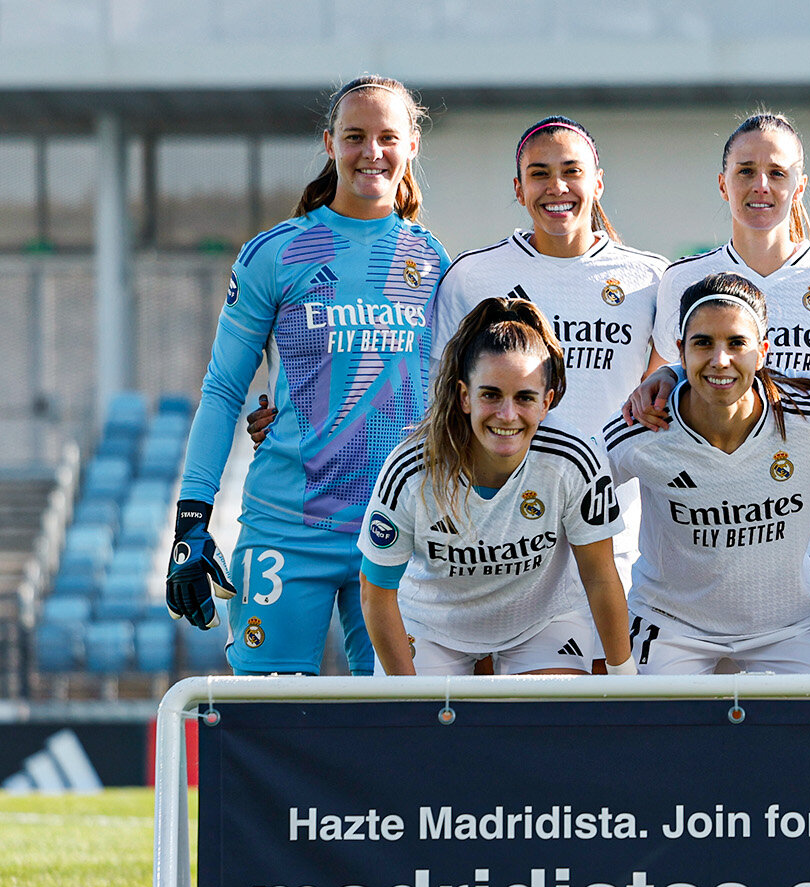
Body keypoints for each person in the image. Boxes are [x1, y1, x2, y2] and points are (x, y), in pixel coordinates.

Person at [167, 75, 448, 675]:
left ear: (411, 146)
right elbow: (221, 391)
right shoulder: (275, 253)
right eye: (354, 136)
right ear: (329, 143)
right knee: (271, 728)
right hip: (286, 528)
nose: (371, 151)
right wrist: (192, 520)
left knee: (403, 733)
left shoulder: (434, 262)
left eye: (386, 137)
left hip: (398, 526)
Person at [641, 113, 810, 646]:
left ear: (800, 184)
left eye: (777, 171)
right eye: (745, 171)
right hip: (709, 527)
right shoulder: (681, 280)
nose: (760, 186)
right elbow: (662, 387)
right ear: (723, 182)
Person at [428, 115, 666, 608]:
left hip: (615, 531)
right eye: (539, 173)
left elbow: (663, 403)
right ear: (518, 188)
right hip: (499, 538)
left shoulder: (651, 279)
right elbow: (445, 406)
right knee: (505, 683)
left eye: (571, 171)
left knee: (605, 682)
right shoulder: (473, 278)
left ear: (597, 182)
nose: (556, 186)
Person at [607, 274, 810, 674]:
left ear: (762, 351)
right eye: (703, 343)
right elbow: (568, 481)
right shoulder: (643, 425)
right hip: (671, 626)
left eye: (736, 343)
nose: (720, 360)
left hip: (791, 626)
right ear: (680, 351)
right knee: (655, 734)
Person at [358, 297, 631, 676]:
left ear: (546, 401)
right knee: (427, 732)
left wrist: (623, 676)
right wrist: (409, 701)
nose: (507, 415)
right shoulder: (412, 469)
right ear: (465, 396)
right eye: (490, 395)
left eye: (525, 398)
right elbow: (376, 592)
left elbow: (600, 576)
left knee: (552, 730)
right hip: (433, 629)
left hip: (540, 624)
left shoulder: (573, 458)